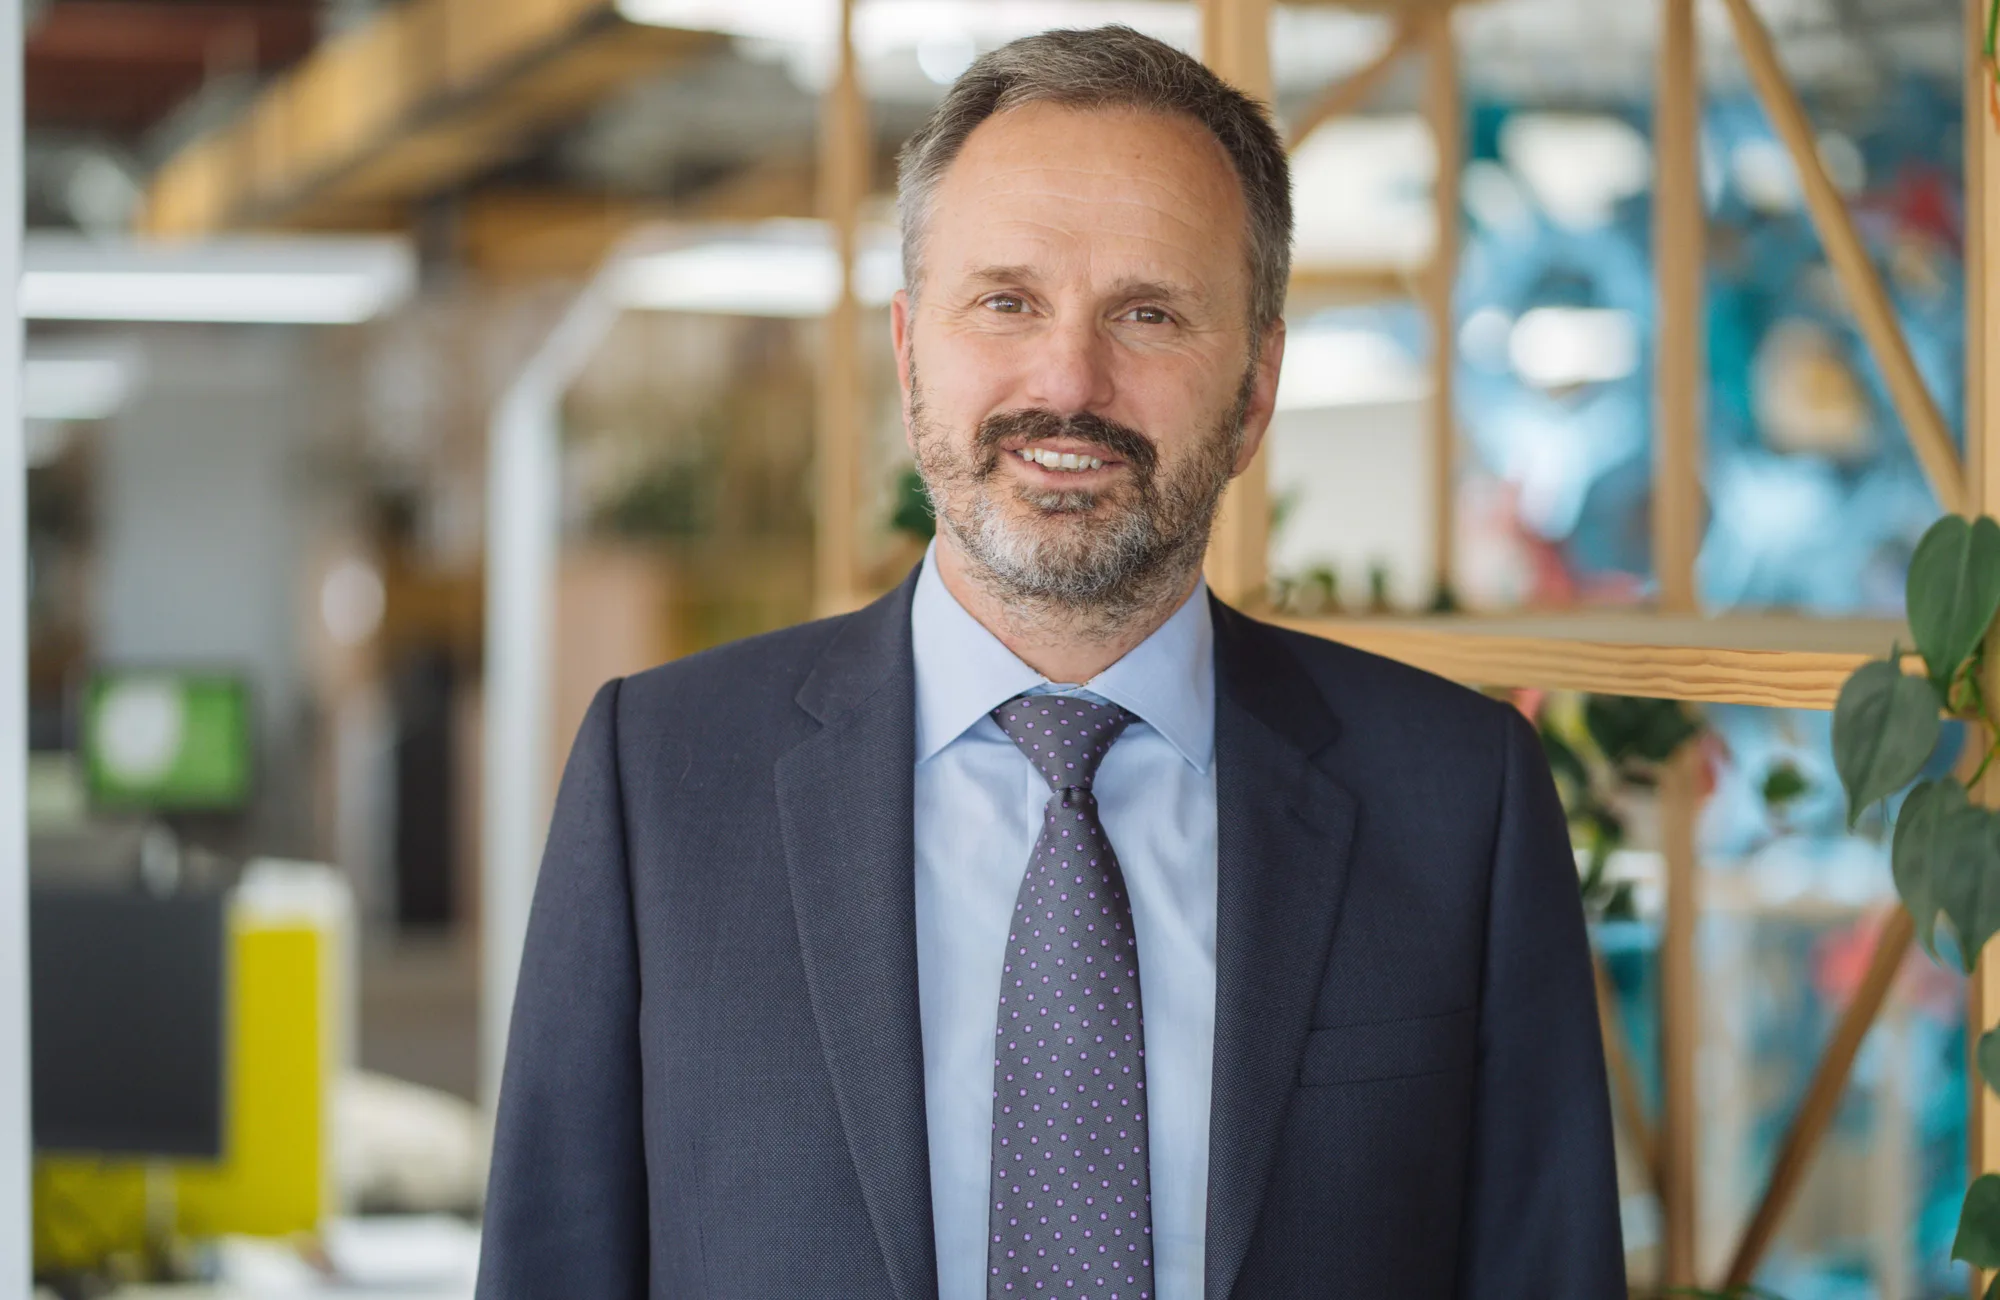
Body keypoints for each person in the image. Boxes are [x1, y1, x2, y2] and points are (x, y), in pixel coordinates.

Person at [476, 25, 1623, 1300]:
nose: (1068, 381)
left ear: (1252, 392)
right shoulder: (663, 780)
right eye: (1006, 301)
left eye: (1149, 312)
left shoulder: (1459, 797)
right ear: (911, 353)